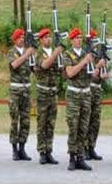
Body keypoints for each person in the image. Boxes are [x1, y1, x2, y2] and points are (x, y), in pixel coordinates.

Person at [62, 27, 105, 171]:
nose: (79, 40)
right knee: (73, 127)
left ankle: (81, 157)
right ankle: (72, 157)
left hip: (86, 93)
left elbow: (91, 75)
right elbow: (70, 73)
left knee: (83, 127)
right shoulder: (68, 54)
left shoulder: (89, 54)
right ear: (71, 40)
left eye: (81, 38)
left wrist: (97, 70)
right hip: (74, 94)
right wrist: (84, 62)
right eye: (76, 38)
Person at [33, 27, 64, 165]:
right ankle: (42, 152)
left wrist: (58, 56)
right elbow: (44, 65)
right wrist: (55, 54)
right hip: (43, 92)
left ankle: (49, 150)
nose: (48, 39)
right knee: (42, 123)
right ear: (40, 40)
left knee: (51, 123)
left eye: (49, 37)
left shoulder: (55, 53)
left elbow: (61, 71)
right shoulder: (38, 53)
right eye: (45, 37)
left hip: (53, 92)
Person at [7, 28, 35, 161]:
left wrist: (31, 56)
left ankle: (22, 148)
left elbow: (34, 69)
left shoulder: (28, 52)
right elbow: (14, 65)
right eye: (19, 37)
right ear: (15, 39)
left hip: (26, 89)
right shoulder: (12, 52)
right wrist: (26, 55)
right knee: (15, 120)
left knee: (25, 120)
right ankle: (14, 149)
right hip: (15, 90)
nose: (22, 39)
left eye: (23, 37)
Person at [85, 29, 109, 161]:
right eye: (93, 40)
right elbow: (90, 74)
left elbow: (101, 75)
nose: (95, 43)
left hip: (97, 90)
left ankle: (92, 147)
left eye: (96, 40)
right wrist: (98, 67)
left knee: (95, 121)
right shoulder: (86, 55)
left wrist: (103, 74)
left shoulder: (98, 55)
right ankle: (84, 148)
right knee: (86, 120)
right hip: (89, 89)